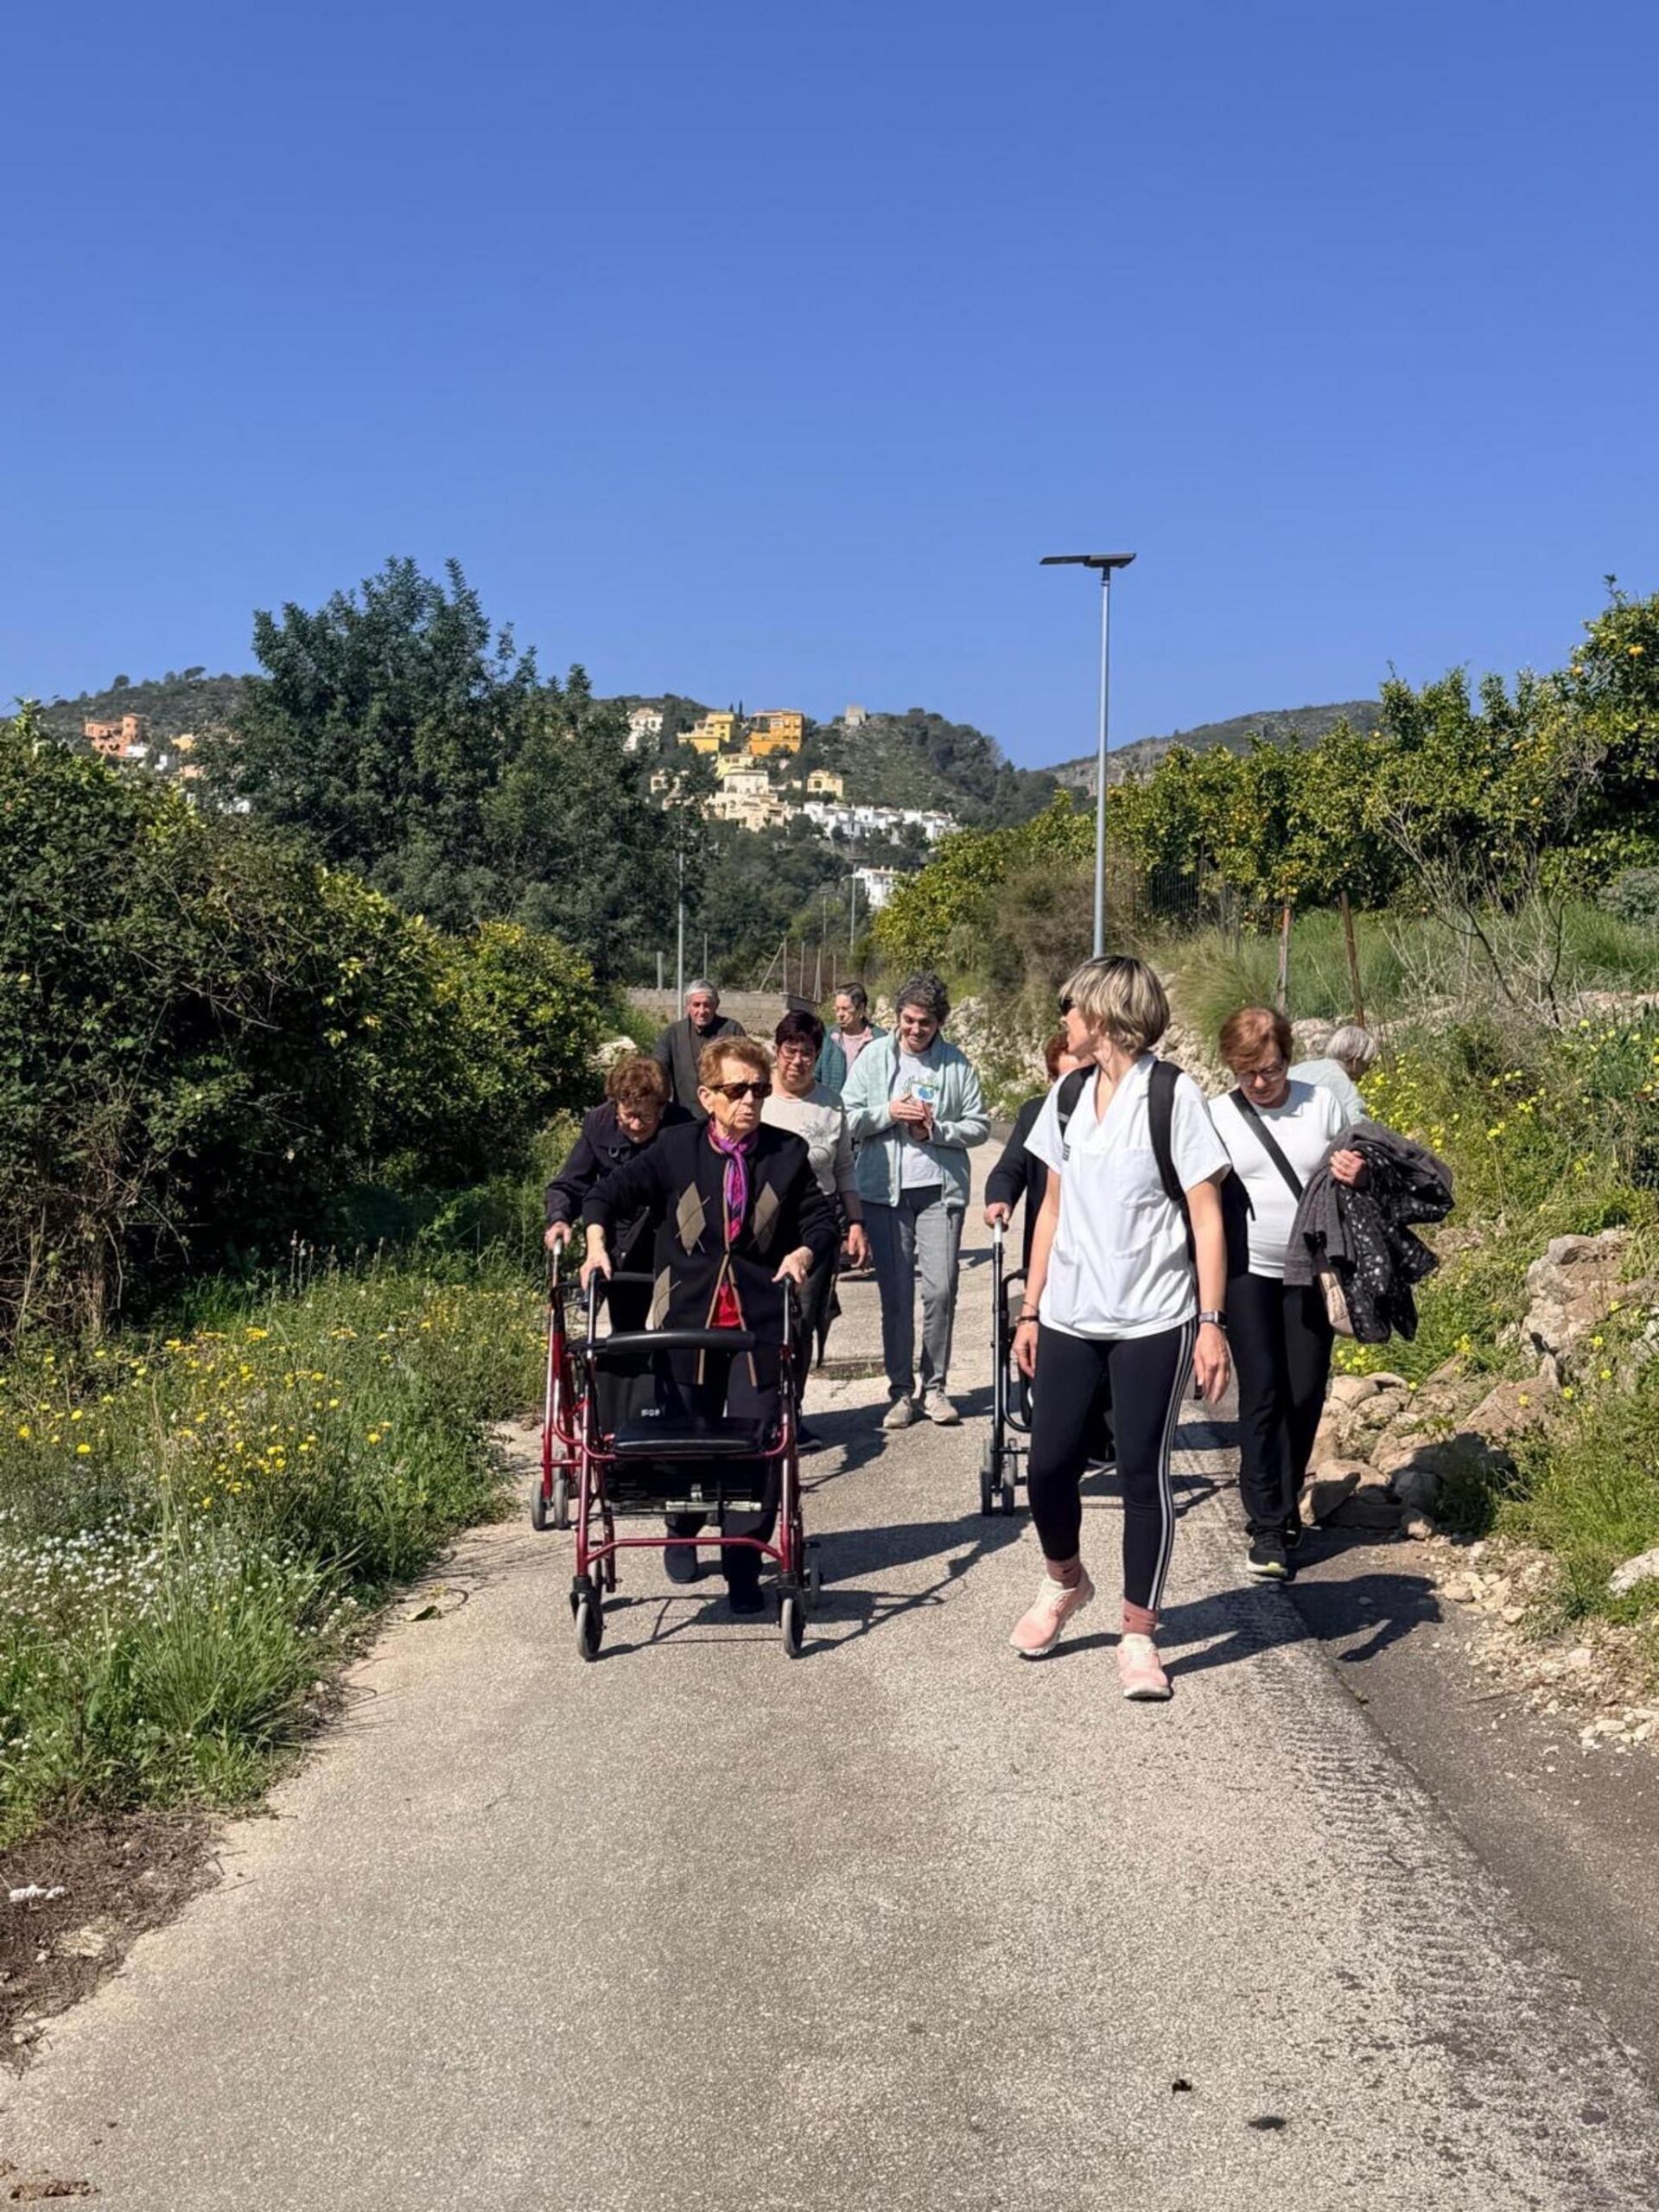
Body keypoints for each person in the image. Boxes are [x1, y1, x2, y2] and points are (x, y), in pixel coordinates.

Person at [1008, 956, 1231, 1703]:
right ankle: (1065, 1581)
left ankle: (1139, 1634)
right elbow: (1050, 1208)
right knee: (1047, 1467)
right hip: (1070, 1315)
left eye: (1071, 1008)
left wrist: (1210, 1322)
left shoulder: (1173, 1096)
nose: (1063, 1020)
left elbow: (1206, 1217)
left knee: (1142, 1472)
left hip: (1153, 1318)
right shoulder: (1068, 1094)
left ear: (1103, 1017)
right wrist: (1031, 1308)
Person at [581, 1037, 836, 1612]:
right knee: (686, 1439)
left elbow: (820, 1221)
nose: (750, 1101)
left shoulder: (787, 1153)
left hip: (756, 1324)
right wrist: (595, 1244)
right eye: (737, 1089)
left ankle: (743, 1562)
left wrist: (803, 1253)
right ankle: (683, 1528)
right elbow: (606, 1195)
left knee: (758, 1444)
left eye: (759, 1090)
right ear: (707, 1096)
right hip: (687, 1320)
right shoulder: (677, 1148)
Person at [1214, 1007, 1367, 1584]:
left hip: (1310, 1269)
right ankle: (1267, 1525)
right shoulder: (1216, 1116)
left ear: (1288, 1059)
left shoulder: (1321, 1103)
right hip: (1246, 1272)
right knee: (1263, 1392)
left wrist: (1358, 1172)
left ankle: (1283, 1499)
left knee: (1304, 1393)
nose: (1260, 1083)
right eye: (1247, 1072)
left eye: (1272, 1069)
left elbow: (1356, 1172)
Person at [842, 971, 989, 1429]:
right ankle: (901, 1392)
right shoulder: (873, 1058)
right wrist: (888, 1113)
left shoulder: (956, 1064)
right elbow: (846, 1117)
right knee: (897, 1296)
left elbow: (979, 1125)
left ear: (939, 1022)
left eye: (925, 1022)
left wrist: (936, 1131)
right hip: (884, 1195)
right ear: (897, 1017)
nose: (915, 1029)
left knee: (941, 1290)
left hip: (940, 1194)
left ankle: (936, 1388)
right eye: (908, 1020)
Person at [763, 1011, 868, 1446]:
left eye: (807, 1053)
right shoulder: (757, 1097)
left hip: (818, 1223)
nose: (797, 1061)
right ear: (777, 1051)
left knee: (804, 1321)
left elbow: (843, 1167)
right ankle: (760, 1412)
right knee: (764, 1320)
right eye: (790, 1051)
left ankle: (792, 1412)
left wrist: (856, 1222)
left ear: (818, 1055)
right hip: (764, 1224)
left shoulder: (831, 1103)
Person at [543, 1058, 692, 1328]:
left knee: (676, 1326)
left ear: (662, 1108)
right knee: (626, 1326)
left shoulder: (683, 1127)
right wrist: (559, 1217)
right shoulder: (598, 1123)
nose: (636, 1125)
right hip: (620, 1235)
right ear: (616, 1107)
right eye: (628, 1116)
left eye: (645, 1117)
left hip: (668, 1232)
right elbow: (572, 1182)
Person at [983, 1028, 1090, 1268]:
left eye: (1084, 1080)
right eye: (1067, 1080)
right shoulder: (1034, 1115)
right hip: (1047, 1247)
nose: (1076, 1089)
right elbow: (1010, 1168)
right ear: (1051, 1080)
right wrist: (999, 1198)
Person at [652, 980, 745, 1117]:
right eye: (696, 1005)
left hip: (723, 1114)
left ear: (716, 1005)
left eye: (707, 1005)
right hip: (685, 1116)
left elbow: (744, 1070)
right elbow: (657, 1070)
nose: (701, 1011)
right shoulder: (673, 1034)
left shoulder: (732, 1031)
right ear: (688, 1006)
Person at [1290, 1024, 1377, 1126]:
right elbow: (1358, 1125)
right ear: (1355, 1061)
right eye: (1366, 1065)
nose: (1367, 1071)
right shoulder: (1341, 1082)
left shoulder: (1301, 1069)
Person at [815, 983, 887, 1096]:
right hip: (831, 1105)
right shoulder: (828, 1037)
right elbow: (815, 1076)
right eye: (837, 1009)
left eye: (845, 1009)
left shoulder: (880, 1040)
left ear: (861, 1009)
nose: (840, 1014)